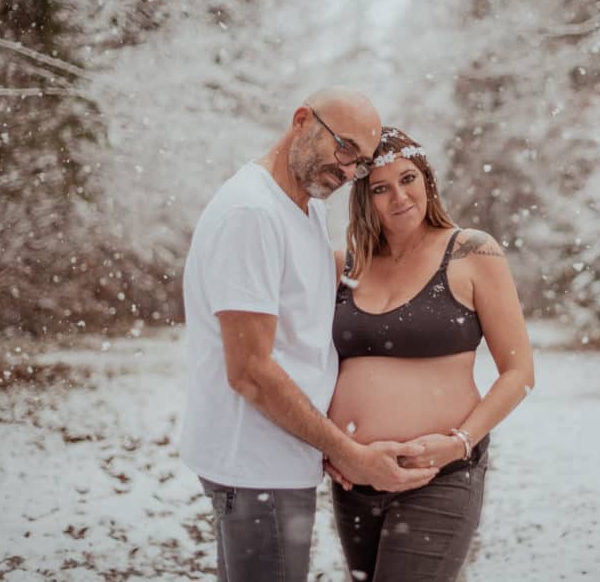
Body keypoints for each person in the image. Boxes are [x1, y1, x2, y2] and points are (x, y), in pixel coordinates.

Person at [180, 90, 440, 582]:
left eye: (360, 164)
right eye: (344, 150)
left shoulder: (306, 206)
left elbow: (305, 326)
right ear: (302, 121)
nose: (348, 173)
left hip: (284, 453)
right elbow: (251, 372)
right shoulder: (252, 214)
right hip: (255, 462)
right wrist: (348, 453)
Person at [326, 127, 536, 582]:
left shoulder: (471, 252)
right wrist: (330, 447)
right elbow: (305, 363)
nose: (398, 196)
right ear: (363, 198)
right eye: (380, 188)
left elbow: (518, 372)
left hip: (439, 475)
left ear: (427, 179)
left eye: (408, 178)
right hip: (355, 478)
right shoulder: (344, 266)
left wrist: (458, 443)